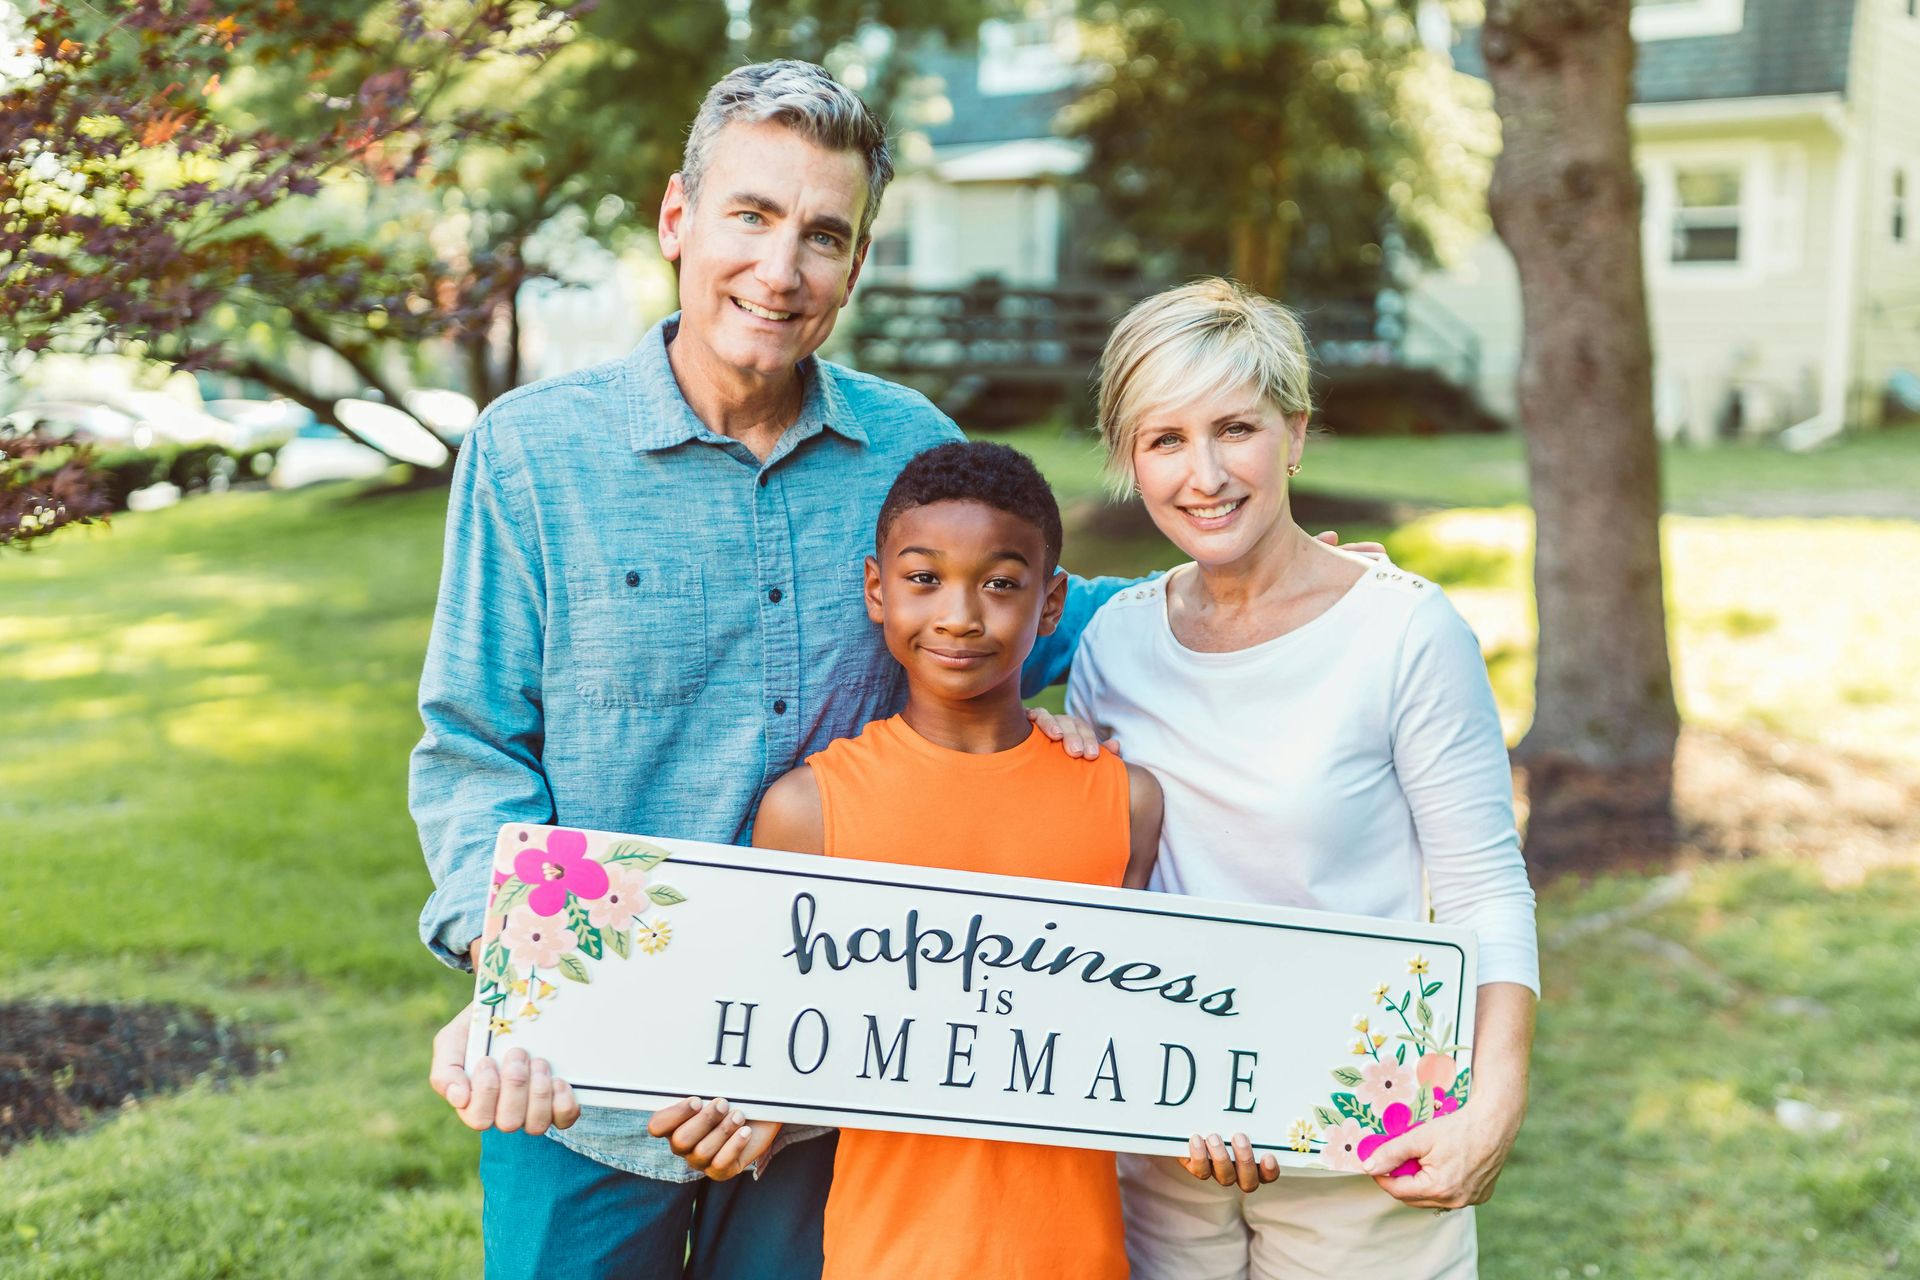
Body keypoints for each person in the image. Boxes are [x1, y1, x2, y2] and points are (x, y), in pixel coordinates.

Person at [411, 62, 1124, 1280]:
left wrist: (1263, 584)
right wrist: (512, 981)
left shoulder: (910, 445)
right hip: (587, 1077)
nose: (782, 269)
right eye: (751, 215)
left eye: (824, 235)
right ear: (678, 216)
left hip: (826, 1072)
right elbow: (476, 743)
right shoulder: (530, 455)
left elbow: (1019, 620)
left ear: (855, 265)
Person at [1064, 278, 1540, 1279]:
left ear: (1296, 431)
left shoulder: (1407, 632)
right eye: (1164, 439)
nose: (1205, 474)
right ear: (1128, 460)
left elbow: (1485, 887)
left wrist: (1492, 1105)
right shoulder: (1114, 643)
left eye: (1236, 427)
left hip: (1369, 1157)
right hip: (1165, 1144)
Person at [648, 440, 1162, 1280]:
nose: (960, 615)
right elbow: (780, 1037)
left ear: (1051, 601)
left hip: (1083, 1253)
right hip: (885, 1252)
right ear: (876, 592)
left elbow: (1144, 1033)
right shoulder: (809, 810)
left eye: (1000, 584)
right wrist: (745, 1114)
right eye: (924, 579)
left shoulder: (1124, 802)